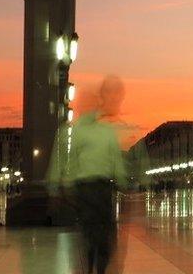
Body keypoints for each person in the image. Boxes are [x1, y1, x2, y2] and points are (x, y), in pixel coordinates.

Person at [48, 76, 129, 274]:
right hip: (93, 189)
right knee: (100, 234)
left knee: (91, 233)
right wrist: (122, 180)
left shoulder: (75, 131)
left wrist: (55, 183)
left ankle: (92, 265)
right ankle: (96, 266)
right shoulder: (84, 131)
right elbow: (63, 160)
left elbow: (115, 161)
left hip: (89, 189)